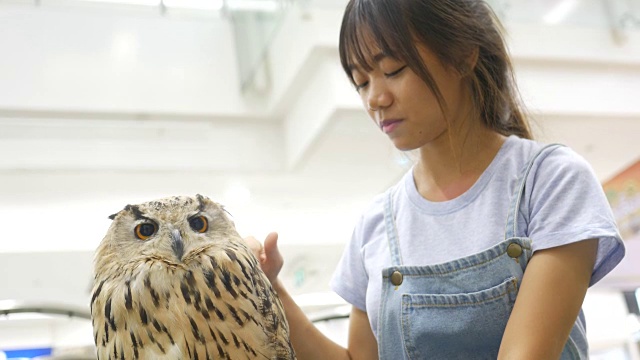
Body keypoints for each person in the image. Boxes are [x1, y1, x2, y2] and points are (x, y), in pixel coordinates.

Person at [245, 0, 626, 358]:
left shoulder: (550, 181)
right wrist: (267, 290)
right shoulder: (376, 224)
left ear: (462, 55)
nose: (375, 98)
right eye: (361, 82)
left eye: (393, 70)